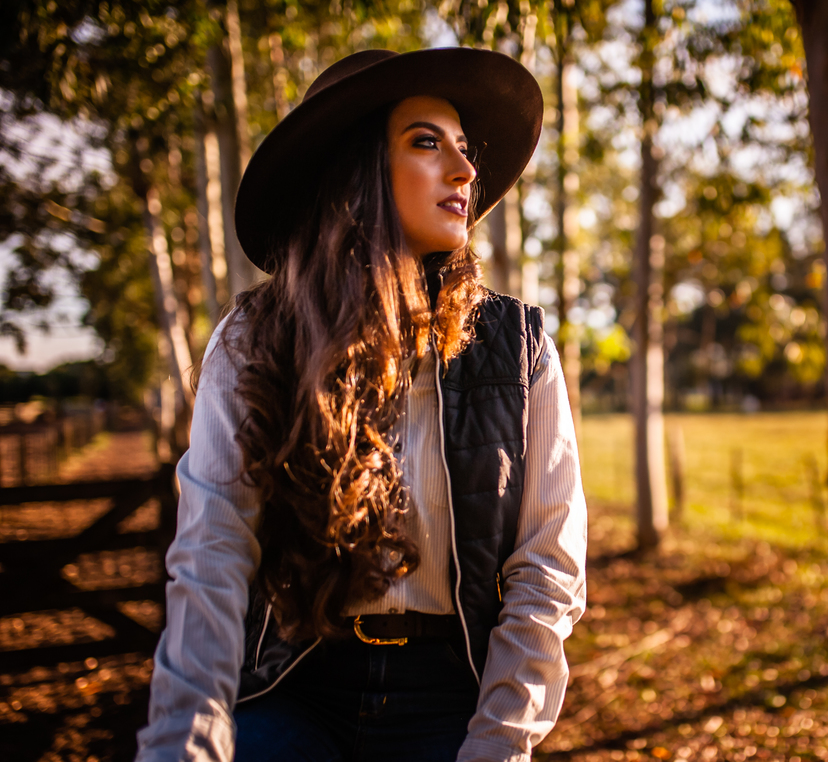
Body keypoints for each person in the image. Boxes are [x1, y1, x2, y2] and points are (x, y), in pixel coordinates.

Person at [135, 48, 587, 762]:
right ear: (356, 174)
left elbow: (547, 570)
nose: (467, 172)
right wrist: (181, 742)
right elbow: (211, 552)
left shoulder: (521, 347)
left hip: (453, 700)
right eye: (427, 142)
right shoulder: (254, 341)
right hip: (290, 687)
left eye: (466, 150)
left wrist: (497, 744)